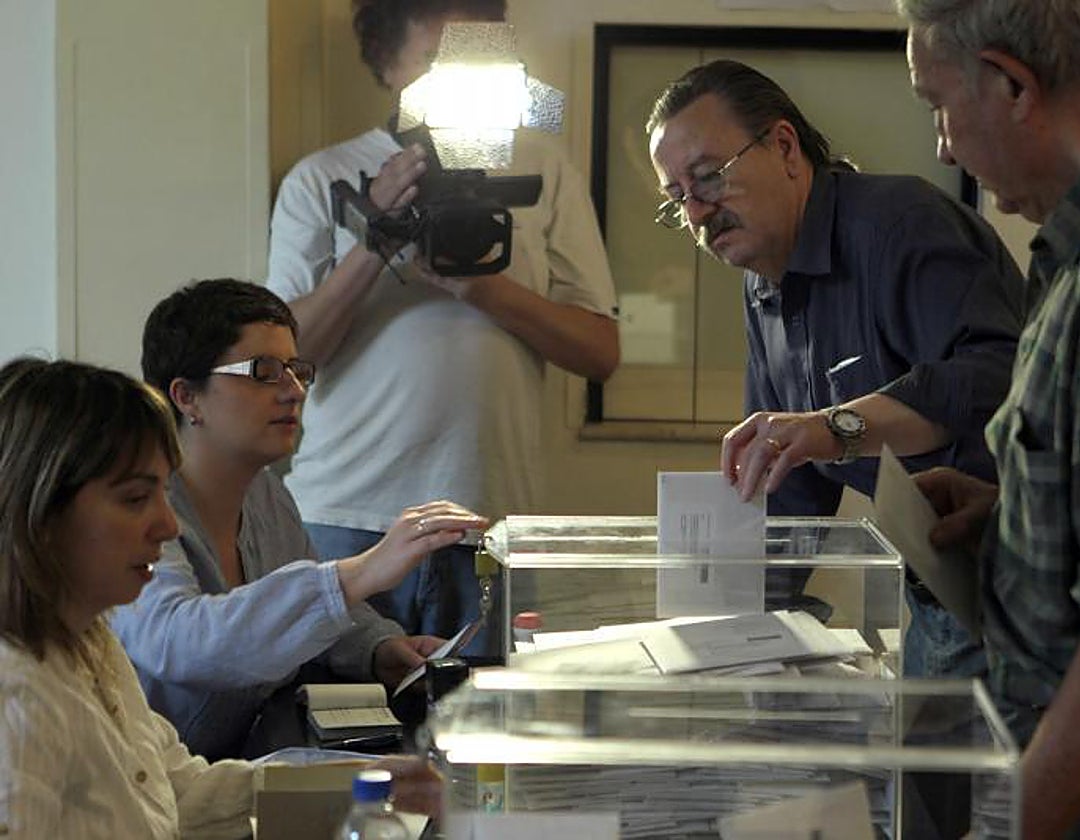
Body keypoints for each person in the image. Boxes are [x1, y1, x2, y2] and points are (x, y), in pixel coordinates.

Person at [898, 0, 1080, 836]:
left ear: (1012, 84)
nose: (944, 145)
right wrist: (1019, 511)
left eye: (938, 106)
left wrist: (1007, 829)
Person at [646, 60, 1025, 679]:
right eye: (676, 199)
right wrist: (725, 634)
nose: (697, 214)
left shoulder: (900, 225)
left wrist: (838, 426)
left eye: (709, 179)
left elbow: (995, 376)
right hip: (937, 586)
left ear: (785, 146)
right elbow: (789, 484)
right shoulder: (763, 282)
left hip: (1024, 576)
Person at [267, 0, 619, 657]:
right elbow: (285, 357)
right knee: (338, 722)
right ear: (385, 62)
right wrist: (375, 240)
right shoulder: (323, 180)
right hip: (346, 516)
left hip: (488, 517)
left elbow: (601, 351)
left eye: (474, 61)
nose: (452, 80)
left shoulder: (543, 172)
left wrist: (485, 291)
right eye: (433, 61)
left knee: (487, 738)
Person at [113, 279, 487, 760]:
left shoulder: (267, 491)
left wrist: (382, 649)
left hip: (224, 772)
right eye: (264, 371)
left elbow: (325, 618)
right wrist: (361, 571)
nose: (293, 391)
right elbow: (180, 641)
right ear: (186, 396)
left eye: (296, 369)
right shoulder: (136, 503)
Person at [0, 358, 254, 836]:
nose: (169, 525)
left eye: (164, 494)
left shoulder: (91, 639)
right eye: (136, 499)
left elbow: (180, 792)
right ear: (40, 512)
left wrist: (359, 782)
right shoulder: (17, 694)